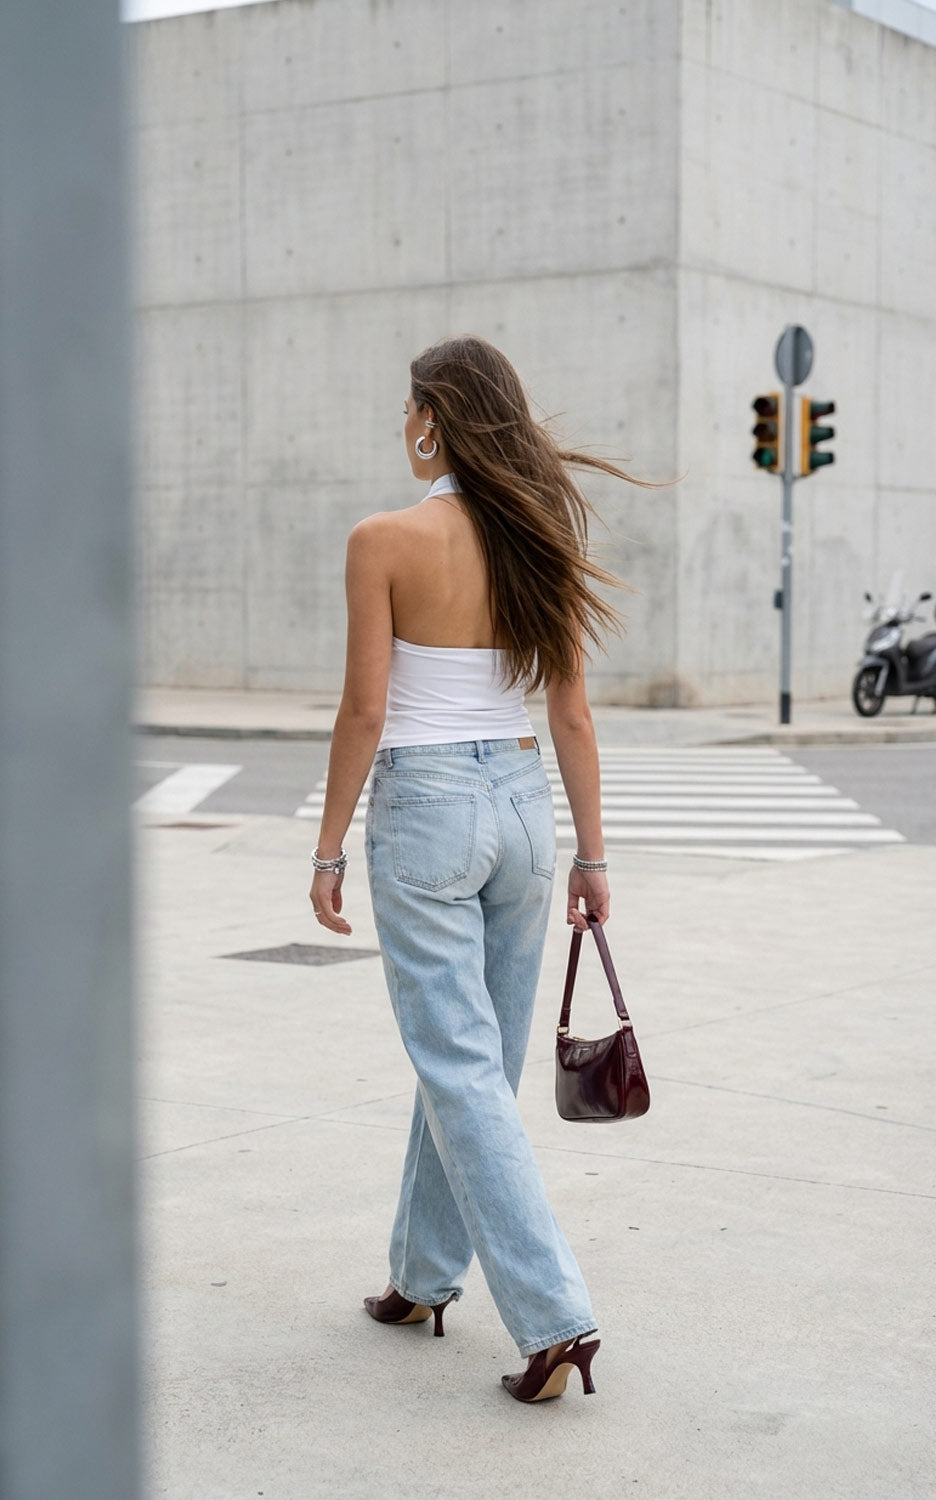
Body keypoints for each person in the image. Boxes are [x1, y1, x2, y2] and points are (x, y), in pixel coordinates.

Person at [309, 335, 642, 1403]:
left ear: (434, 419)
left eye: (409, 408)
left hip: (429, 812)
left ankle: (554, 1320)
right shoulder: (536, 537)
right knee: (472, 1065)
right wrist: (591, 854)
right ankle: (420, 1279)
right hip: (522, 806)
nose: (402, 425)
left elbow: (364, 711)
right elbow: (572, 713)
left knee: (459, 1065)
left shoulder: (383, 540)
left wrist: (327, 847)